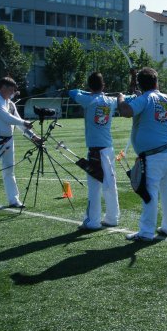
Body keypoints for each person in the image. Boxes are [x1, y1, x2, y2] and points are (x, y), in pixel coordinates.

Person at [116, 67, 167, 242]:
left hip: (153, 156)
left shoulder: (144, 99)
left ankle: (146, 232)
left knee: (149, 192)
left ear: (141, 84)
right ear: (156, 82)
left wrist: (120, 98)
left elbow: (125, 111)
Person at [0, 76, 40, 213]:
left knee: (9, 171)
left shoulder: (10, 103)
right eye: (12, 89)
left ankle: (14, 200)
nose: (13, 92)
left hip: (8, 141)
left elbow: (18, 122)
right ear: (3, 88)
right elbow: (7, 118)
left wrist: (33, 136)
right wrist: (24, 122)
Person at [69, 72, 120, 230]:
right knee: (110, 184)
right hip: (108, 149)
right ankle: (112, 218)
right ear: (103, 85)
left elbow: (72, 92)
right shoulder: (111, 101)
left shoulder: (88, 99)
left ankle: (93, 222)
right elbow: (128, 98)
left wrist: (88, 92)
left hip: (95, 151)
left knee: (94, 188)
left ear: (90, 86)